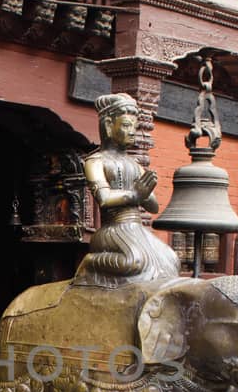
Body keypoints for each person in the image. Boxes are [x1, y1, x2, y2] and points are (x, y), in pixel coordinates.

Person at [76, 93, 180, 285]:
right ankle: (90, 263)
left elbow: (154, 207)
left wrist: (146, 193)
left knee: (171, 259)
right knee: (135, 261)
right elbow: (104, 198)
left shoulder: (134, 164)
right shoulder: (95, 161)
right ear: (108, 125)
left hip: (136, 228)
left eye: (134, 126)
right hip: (112, 229)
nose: (132, 131)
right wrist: (134, 195)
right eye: (125, 125)